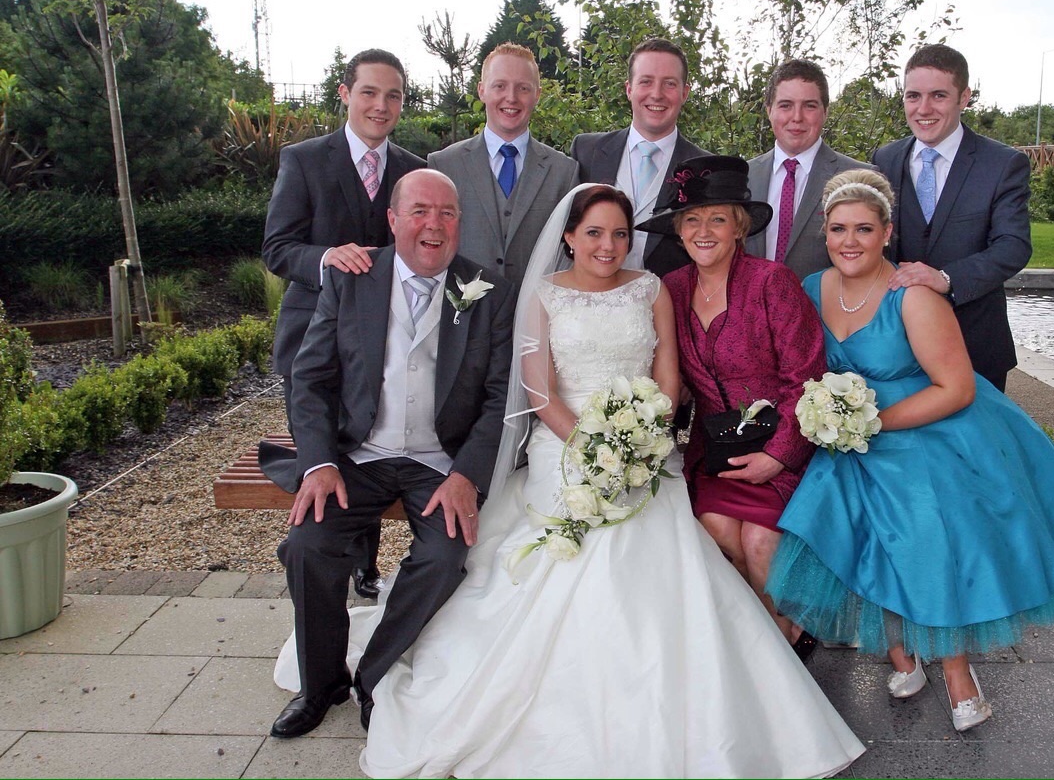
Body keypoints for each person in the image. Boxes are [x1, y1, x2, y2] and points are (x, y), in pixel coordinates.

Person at [275, 183, 865, 778]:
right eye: (592, 233)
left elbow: (668, 380)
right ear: (568, 238)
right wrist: (591, 446)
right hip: (564, 446)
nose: (606, 245)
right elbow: (538, 390)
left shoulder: (652, 289)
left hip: (644, 446)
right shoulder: (541, 295)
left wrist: (636, 440)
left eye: (618, 234)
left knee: (664, 545)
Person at [765, 168, 1054, 732]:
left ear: (887, 232)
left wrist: (870, 425)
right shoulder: (811, 289)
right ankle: (901, 656)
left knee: (921, 530)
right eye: (839, 228)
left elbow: (957, 388)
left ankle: (959, 675)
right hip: (851, 436)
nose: (850, 241)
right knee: (842, 525)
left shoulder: (912, 297)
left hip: (926, 430)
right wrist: (832, 422)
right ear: (825, 232)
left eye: (864, 229)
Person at [260, 169, 515, 740]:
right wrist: (321, 461)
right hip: (359, 455)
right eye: (420, 211)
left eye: (447, 213)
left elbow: (500, 399)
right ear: (393, 220)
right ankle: (320, 681)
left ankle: (373, 674)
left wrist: (468, 475)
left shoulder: (487, 292)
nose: (434, 224)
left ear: (459, 224)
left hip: (437, 460)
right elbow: (310, 379)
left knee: (447, 556)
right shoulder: (353, 279)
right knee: (308, 545)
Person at [637, 155, 826, 658]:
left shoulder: (772, 282)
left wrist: (779, 456)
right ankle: (771, 646)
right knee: (718, 533)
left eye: (717, 218)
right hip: (714, 453)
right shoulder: (670, 290)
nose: (704, 231)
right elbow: (664, 373)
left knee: (762, 545)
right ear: (679, 229)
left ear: (739, 227)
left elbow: (807, 379)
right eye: (693, 220)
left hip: (783, 448)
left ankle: (781, 644)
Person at [262, 49, 426, 599]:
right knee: (328, 444)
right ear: (345, 93)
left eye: (394, 95)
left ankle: (362, 561)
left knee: (371, 440)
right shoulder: (304, 159)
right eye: (370, 93)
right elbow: (277, 248)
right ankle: (320, 551)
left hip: (387, 337)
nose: (381, 106)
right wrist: (327, 256)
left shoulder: (411, 168)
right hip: (315, 333)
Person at [871, 43, 1032, 391]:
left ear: (964, 97)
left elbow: (1013, 245)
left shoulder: (1002, 164)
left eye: (938, 96)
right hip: (895, 346)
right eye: (913, 96)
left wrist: (947, 278)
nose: (923, 109)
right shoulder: (884, 159)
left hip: (974, 345)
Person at [427, 43, 579, 283]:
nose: (511, 97)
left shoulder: (564, 171)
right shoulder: (444, 165)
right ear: (482, 90)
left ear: (537, 94)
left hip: (538, 313)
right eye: (500, 86)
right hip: (464, 315)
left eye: (523, 88)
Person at [570, 38, 709, 277]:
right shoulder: (586, 151)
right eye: (646, 82)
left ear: (685, 93)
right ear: (629, 89)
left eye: (669, 84)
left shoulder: (704, 168)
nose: (657, 94)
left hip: (671, 306)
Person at [746, 59, 873, 279]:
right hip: (752, 311)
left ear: (825, 111)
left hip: (826, 310)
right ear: (769, 111)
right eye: (785, 105)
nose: (797, 117)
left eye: (809, 106)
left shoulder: (859, 179)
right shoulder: (743, 177)